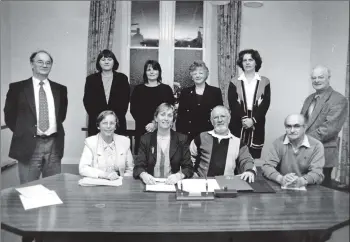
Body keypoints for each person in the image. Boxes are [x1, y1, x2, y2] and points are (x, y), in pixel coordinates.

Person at [4, 50, 68, 185]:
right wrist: (24, 132)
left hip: (54, 145)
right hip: (28, 145)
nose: (44, 65)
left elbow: (61, 116)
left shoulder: (60, 89)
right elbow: (9, 116)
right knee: (28, 189)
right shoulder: (17, 88)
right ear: (32, 64)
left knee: (53, 187)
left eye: (48, 62)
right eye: (40, 61)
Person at [300, 65, 348, 187]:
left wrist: (302, 140)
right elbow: (301, 123)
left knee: (322, 195)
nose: (316, 80)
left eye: (320, 77)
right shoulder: (309, 98)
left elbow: (329, 129)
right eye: (313, 78)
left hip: (323, 154)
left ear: (328, 78)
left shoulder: (338, 99)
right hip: (304, 153)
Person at [190, 106, 256, 182]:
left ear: (229, 119)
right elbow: (188, 157)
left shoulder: (238, 143)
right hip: (203, 183)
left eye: (223, 116)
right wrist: (192, 173)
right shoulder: (201, 137)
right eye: (216, 117)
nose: (220, 120)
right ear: (212, 121)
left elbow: (247, 160)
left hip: (227, 184)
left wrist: (249, 171)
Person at [133, 103, 193, 185]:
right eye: (162, 114)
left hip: (173, 185)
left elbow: (188, 168)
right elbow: (138, 166)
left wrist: (179, 176)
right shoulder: (145, 139)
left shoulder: (182, 139)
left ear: (173, 119)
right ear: (156, 118)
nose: (166, 118)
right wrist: (144, 175)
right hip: (151, 184)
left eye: (169, 115)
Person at [228, 49, 271, 159]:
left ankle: (249, 176)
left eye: (250, 60)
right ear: (241, 63)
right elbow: (232, 102)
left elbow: (265, 103)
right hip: (238, 120)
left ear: (256, 62)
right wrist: (244, 118)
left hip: (257, 120)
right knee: (235, 155)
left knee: (252, 157)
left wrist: (253, 120)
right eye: (244, 60)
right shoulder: (234, 81)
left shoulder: (265, 81)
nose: (247, 62)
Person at [262, 114, 325, 187]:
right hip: (282, 186)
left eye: (296, 126)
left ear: (304, 128)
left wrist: (302, 181)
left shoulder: (316, 145)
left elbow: (317, 172)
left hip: (308, 188)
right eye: (288, 126)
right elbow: (267, 167)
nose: (292, 130)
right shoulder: (278, 143)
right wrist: (281, 179)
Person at [130, 60, 175, 154]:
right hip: (143, 129)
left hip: (162, 129)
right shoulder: (138, 89)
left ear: (159, 72)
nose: (151, 72)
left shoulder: (166, 89)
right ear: (145, 73)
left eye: (155, 69)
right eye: (148, 70)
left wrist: (155, 124)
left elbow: (171, 111)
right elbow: (134, 110)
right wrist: (148, 126)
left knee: (162, 158)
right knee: (142, 160)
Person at [83, 49, 130, 136]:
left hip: (117, 122)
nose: (106, 62)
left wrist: (113, 119)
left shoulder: (122, 78)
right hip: (97, 123)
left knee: (118, 148)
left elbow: (125, 101)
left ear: (114, 62)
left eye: (109, 59)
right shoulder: (91, 79)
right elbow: (87, 102)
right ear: (99, 63)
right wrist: (101, 119)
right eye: (103, 59)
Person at [176, 60, 223, 141]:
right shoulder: (185, 92)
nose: (197, 76)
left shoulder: (215, 92)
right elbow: (180, 117)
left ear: (206, 74)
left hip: (209, 135)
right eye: (195, 74)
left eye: (201, 73)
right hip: (188, 136)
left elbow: (220, 115)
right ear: (191, 76)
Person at [79, 110, 133, 179]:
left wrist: (121, 181)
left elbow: (130, 169)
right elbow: (83, 168)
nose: (108, 126)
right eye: (104, 123)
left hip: (119, 184)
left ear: (115, 126)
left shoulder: (124, 142)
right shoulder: (90, 142)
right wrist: (105, 175)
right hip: (97, 185)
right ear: (98, 126)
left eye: (112, 123)